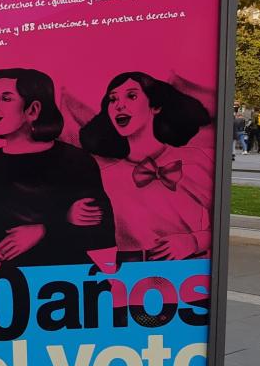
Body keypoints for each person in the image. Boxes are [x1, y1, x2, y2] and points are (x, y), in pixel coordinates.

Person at [0, 68, 116, 270]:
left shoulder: (76, 161)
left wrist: (45, 230)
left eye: (6, 99)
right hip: (8, 286)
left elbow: (102, 234)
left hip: (71, 283)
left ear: (33, 110)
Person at [80, 71, 213, 261]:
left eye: (131, 96)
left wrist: (193, 241)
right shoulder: (104, 171)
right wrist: (72, 215)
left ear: (155, 106)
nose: (119, 105)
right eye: (112, 99)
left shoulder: (192, 160)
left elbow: (221, 220)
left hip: (186, 272)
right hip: (128, 275)